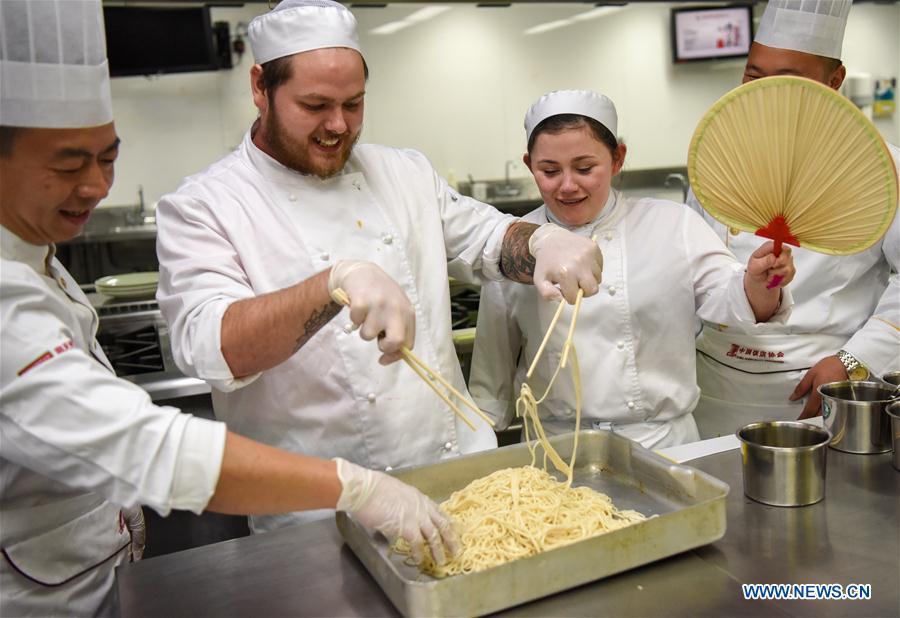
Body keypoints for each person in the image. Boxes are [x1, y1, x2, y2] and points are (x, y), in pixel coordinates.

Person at [0, 3, 457, 615]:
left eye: (107, 158)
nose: (96, 187)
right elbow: (147, 444)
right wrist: (356, 485)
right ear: (260, 90)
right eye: (67, 165)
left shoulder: (37, 256)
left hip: (89, 575)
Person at [154, 0, 603, 533]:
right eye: (315, 105)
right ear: (260, 87)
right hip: (323, 516)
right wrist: (331, 284)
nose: (337, 126)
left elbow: (486, 236)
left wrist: (542, 241)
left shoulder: (403, 172)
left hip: (459, 482)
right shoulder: (205, 206)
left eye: (354, 104)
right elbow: (211, 346)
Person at [468, 90, 796, 449]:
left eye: (584, 168)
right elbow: (491, 373)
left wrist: (763, 281)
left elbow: (738, 306)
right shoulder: (516, 245)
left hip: (661, 443)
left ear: (618, 158)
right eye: (549, 171)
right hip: (558, 450)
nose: (567, 185)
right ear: (530, 164)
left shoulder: (672, 225)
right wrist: (483, 454)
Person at [687, 0, 900, 436]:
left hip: (819, 386)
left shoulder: (885, 170)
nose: (766, 94)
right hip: (712, 385)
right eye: (753, 76)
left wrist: (855, 361)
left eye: (789, 81)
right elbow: (692, 267)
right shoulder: (719, 158)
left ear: (834, 80)